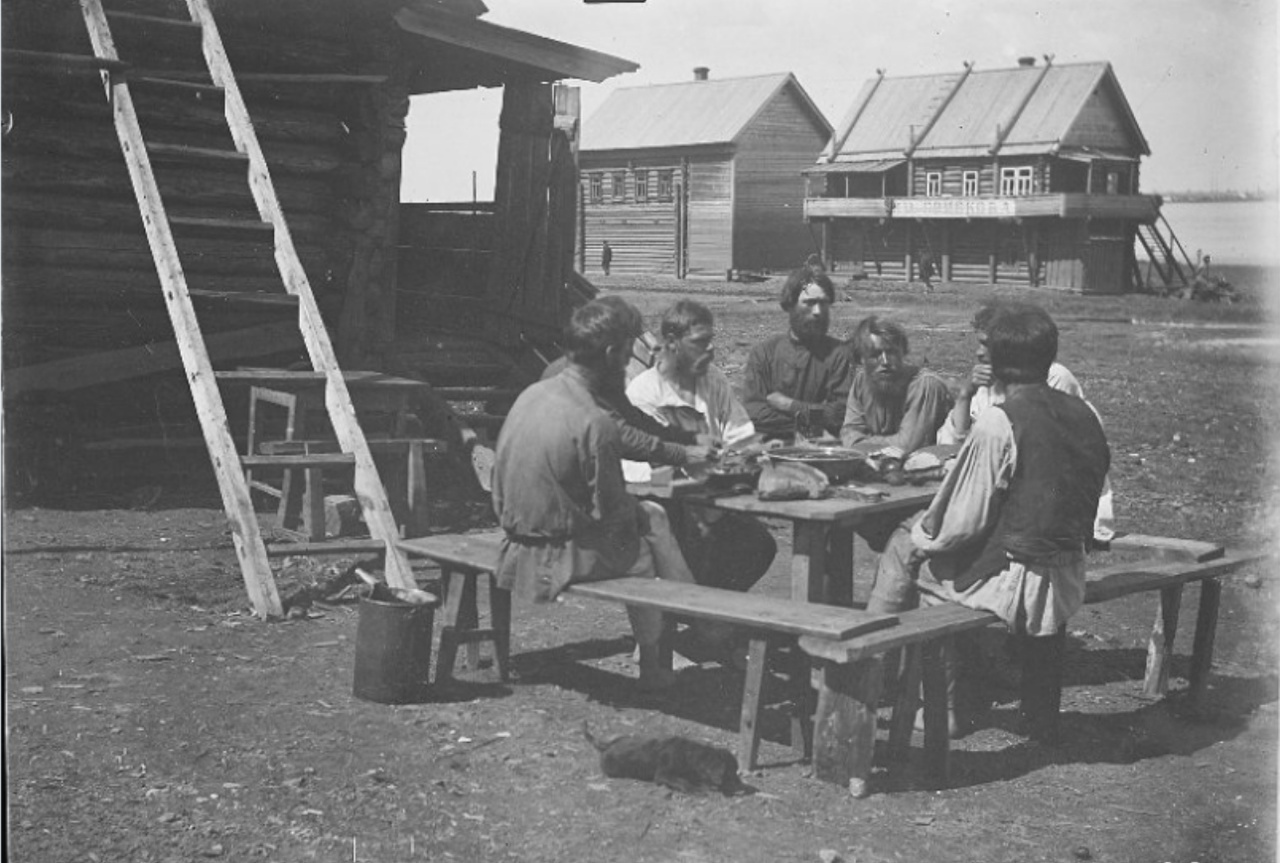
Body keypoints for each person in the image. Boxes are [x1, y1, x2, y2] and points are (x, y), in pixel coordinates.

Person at [870, 303, 1111, 742]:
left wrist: (922, 533)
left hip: (1022, 577)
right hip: (1069, 570)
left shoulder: (1001, 422)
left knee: (913, 554)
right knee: (929, 547)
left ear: (995, 365)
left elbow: (961, 523)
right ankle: (1038, 715)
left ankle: (907, 693)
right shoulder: (1085, 414)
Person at [491, 298, 700, 691]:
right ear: (609, 354)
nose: (627, 365)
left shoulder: (533, 393)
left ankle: (701, 619)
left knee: (651, 517)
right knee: (644, 549)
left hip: (513, 543)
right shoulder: (595, 421)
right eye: (625, 356)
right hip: (555, 556)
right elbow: (613, 515)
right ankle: (663, 655)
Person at [626, 300, 776, 631]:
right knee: (681, 546)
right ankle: (687, 629)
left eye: (711, 341)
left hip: (714, 501)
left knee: (759, 545)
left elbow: (740, 436)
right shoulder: (644, 392)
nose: (710, 350)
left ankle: (708, 626)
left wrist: (754, 453)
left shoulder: (713, 380)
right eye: (699, 343)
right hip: (667, 505)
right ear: (671, 342)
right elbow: (649, 471)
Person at [938, 300, 1114, 545]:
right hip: (1040, 529)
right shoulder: (991, 385)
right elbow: (950, 445)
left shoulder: (1053, 382)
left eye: (987, 344)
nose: (979, 352)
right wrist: (965, 395)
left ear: (1009, 348)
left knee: (912, 546)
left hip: (1040, 531)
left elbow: (1047, 467)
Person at [540, 297, 717, 470]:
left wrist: (690, 438)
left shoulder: (597, 373)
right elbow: (621, 436)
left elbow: (634, 419)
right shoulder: (566, 383)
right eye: (627, 350)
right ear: (611, 352)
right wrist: (684, 454)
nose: (628, 360)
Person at [741, 266, 854, 443]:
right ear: (790, 304)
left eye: (823, 303)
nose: (817, 311)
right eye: (809, 303)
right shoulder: (764, 354)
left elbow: (840, 414)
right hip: (773, 448)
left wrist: (789, 405)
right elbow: (753, 412)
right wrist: (810, 420)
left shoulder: (839, 355)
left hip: (824, 449)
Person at [839, 315, 954, 458]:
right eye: (875, 354)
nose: (885, 361)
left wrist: (864, 444)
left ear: (903, 352)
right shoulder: (862, 381)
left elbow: (908, 446)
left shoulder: (925, 386)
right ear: (861, 358)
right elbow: (849, 434)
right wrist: (863, 445)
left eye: (891, 352)